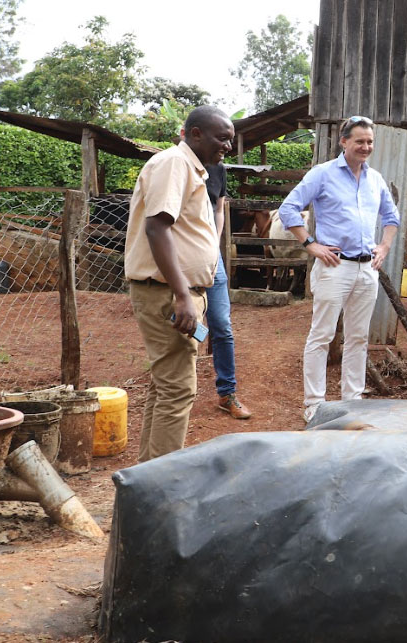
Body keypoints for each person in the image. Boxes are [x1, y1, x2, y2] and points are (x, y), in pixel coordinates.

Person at [124, 106, 234, 462]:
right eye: (222, 138)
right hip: (168, 294)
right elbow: (157, 227)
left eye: (230, 140)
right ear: (196, 133)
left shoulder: (195, 170)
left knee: (165, 387)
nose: (228, 147)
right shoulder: (173, 163)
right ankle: (161, 487)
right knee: (177, 390)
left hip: (179, 294)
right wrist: (184, 295)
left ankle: (147, 476)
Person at [279, 116, 400, 422]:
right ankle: (314, 405)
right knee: (322, 336)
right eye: (359, 141)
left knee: (359, 338)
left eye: (370, 141)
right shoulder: (323, 174)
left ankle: (353, 401)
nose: (366, 147)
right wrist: (310, 244)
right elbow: (288, 209)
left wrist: (384, 247)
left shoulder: (376, 179)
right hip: (335, 266)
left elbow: (392, 216)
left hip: (366, 269)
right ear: (344, 142)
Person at [203, 161, 252, 420]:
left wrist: (214, 243)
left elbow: (218, 209)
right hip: (181, 257)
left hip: (212, 257)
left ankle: (227, 393)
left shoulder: (218, 169)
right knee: (180, 322)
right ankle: (174, 392)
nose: (225, 146)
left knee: (221, 324)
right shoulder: (174, 165)